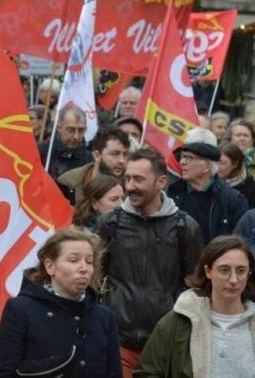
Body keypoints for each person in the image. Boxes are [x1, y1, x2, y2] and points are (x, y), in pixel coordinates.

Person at [95, 148, 205, 378]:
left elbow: (196, 285)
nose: (130, 186)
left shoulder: (185, 227)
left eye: (139, 179)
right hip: (118, 340)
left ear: (161, 182)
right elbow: (96, 277)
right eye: (127, 178)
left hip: (165, 342)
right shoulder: (110, 223)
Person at [0, 228, 122, 377]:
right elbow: (5, 372)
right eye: (73, 260)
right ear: (50, 266)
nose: (83, 268)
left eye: (89, 261)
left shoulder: (105, 317)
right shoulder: (20, 309)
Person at [134, 235, 255, 378]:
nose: (233, 280)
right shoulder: (178, 321)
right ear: (208, 271)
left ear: (249, 274)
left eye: (241, 271)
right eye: (224, 270)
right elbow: (145, 373)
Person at [167, 141, 248, 244]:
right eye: (183, 157)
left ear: (206, 167)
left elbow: (241, 243)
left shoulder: (233, 200)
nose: (182, 162)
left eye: (189, 158)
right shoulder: (170, 194)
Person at [58, 125, 129, 204]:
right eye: (115, 154)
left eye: (126, 155)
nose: (122, 161)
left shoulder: (132, 188)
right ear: (97, 156)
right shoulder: (68, 183)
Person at [37, 105, 93, 180]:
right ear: (59, 128)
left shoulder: (88, 158)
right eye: (71, 129)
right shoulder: (41, 150)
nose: (76, 136)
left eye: (81, 130)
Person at [219, 142, 255, 208]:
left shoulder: (250, 188)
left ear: (235, 165)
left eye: (222, 163)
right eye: (215, 162)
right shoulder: (208, 181)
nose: (217, 166)